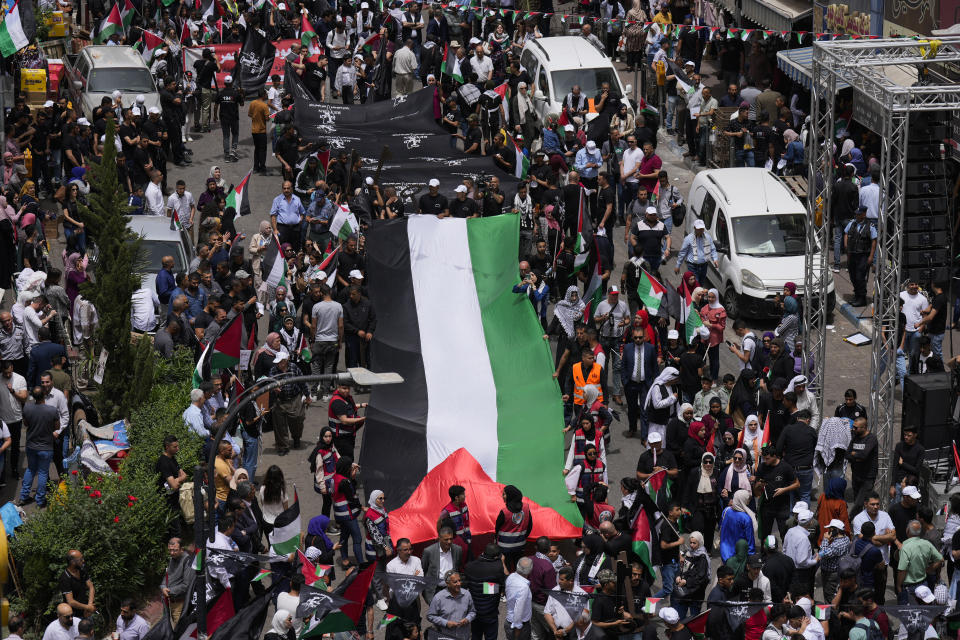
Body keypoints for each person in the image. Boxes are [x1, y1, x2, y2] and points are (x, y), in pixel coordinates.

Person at [851, 492, 897, 600]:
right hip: (866, 565)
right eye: (872, 504)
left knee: (880, 594)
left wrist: (875, 538)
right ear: (866, 504)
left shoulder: (885, 516)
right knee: (865, 595)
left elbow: (893, 535)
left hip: (882, 562)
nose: (875, 507)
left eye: (877, 504)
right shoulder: (858, 519)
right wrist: (886, 537)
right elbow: (866, 539)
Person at [19, 385, 58, 508]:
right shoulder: (52, 410)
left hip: (31, 445)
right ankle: (40, 500)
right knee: (42, 473)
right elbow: (57, 427)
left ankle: (24, 496)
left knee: (30, 469)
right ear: (44, 395)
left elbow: (25, 424)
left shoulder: (27, 408)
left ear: (33, 397)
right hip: (46, 447)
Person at [463, 542, 505, 640]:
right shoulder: (497, 568)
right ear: (496, 557)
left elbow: (469, 585)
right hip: (490, 613)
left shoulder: (470, 566)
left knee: (475, 636)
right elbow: (503, 585)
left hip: (474, 611)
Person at [896, 519, 942, 604]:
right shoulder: (927, 543)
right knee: (924, 613)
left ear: (907, 531)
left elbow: (902, 570)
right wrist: (929, 569)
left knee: (908, 614)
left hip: (908, 587)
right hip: (923, 583)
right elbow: (940, 559)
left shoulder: (905, 548)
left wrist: (898, 586)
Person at [427, 570, 476, 640]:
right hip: (445, 636)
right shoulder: (439, 598)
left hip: (464, 636)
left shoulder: (467, 594)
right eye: (455, 582)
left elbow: (472, 612)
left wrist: (467, 619)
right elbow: (430, 616)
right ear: (448, 583)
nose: (459, 583)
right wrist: (445, 623)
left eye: (459, 580)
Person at [843, 205, 876, 307]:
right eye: (856, 214)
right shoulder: (852, 223)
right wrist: (846, 245)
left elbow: (874, 241)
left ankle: (862, 299)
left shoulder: (870, 226)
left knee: (860, 277)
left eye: (859, 214)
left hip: (863, 255)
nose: (857, 215)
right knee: (853, 277)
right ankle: (857, 296)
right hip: (852, 254)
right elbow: (846, 233)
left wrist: (871, 257)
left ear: (864, 214)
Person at [496, 485, 533, 570]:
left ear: (510, 496)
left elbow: (497, 529)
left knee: (506, 568)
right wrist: (522, 538)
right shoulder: (526, 507)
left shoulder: (504, 512)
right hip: (520, 545)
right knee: (519, 569)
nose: (502, 496)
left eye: (504, 494)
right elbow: (530, 526)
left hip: (504, 547)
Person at [422, 527, 464, 602]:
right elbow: (424, 569)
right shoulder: (429, 551)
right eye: (446, 539)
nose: (449, 542)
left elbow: (458, 566)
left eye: (451, 539)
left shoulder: (458, 550)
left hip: (452, 589)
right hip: (435, 590)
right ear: (439, 539)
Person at [847, 417, 878, 515]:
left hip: (868, 476)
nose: (853, 429)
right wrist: (857, 457)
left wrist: (854, 454)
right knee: (857, 500)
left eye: (856, 428)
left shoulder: (871, 439)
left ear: (864, 427)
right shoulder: (855, 437)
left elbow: (864, 455)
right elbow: (847, 454)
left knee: (858, 503)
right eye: (853, 427)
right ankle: (859, 523)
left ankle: (849, 519)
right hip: (856, 475)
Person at [674, 220, 718, 285]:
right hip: (692, 266)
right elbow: (682, 253)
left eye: (702, 229)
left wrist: (715, 259)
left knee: (701, 283)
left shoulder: (708, 237)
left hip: (704, 266)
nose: (700, 230)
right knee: (695, 284)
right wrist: (678, 265)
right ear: (694, 228)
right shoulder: (688, 239)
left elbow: (713, 249)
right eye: (699, 229)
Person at [818, 519, 851, 603]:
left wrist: (825, 539)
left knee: (830, 597)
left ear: (834, 530)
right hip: (838, 571)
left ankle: (831, 614)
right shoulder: (846, 538)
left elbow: (822, 554)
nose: (828, 531)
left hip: (831, 574)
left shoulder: (836, 545)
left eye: (830, 529)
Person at [162, 537, 194, 624]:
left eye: (175, 550)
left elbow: (186, 585)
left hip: (180, 604)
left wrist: (169, 591)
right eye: (170, 550)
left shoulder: (187, 561)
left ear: (181, 549)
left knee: (178, 630)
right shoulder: (172, 558)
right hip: (169, 602)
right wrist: (163, 586)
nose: (172, 553)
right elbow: (167, 576)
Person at [719, 489, 756, 562]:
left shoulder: (726, 510)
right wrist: (751, 559)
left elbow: (721, 526)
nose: (748, 502)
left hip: (724, 553)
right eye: (747, 499)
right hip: (739, 556)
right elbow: (750, 541)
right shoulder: (746, 518)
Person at [58, 550, 95, 618]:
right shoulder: (65, 578)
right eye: (80, 559)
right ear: (72, 562)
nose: (83, 561)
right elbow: (71, 601)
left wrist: (89, 605)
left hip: (86, 612)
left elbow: (91, 587)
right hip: (74, 616)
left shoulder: (82, 571)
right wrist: (88, 607)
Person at [504, 557, 533, 640]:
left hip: (509, 621)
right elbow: (518, 610)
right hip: (519, 626)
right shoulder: (523, 587)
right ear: (530, 570)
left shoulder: (511, 577)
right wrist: (518, 629)